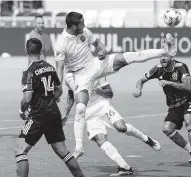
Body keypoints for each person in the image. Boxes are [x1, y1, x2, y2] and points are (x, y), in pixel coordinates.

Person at [54, 11, 176, 158]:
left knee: (129, 57)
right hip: (80, 76)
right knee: (80, 108)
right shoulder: (61, 42)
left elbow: (98, 44)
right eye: (81, 23)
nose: (84, 25)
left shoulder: (84, 31)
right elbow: (59, 68)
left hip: (95, 64)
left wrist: (103, 51)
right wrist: (58, 86)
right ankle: (79, 147)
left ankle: (165, 51)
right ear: (73, 26)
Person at [7, 38, 93, 177]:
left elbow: (27, 98)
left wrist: (22, 110)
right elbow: (59, 90)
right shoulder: (49, 67)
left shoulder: (29, 71)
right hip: (53, 113)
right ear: (41, 50)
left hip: (38, 116)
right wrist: (49, 98)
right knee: (62, 150)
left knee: (20, 150)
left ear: (26, 51)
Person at [62, 73, 161, 175]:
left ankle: (147, 139)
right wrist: (65, 114)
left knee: (121, 127)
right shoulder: (68, 76)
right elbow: (71, 95)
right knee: (100, 140)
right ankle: (125, 168)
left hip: (102, 105)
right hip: (88, 114)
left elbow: (110, 93)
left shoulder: (95, 71)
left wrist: (97, 89)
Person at [133, 56, 191, 169]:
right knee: (167, 128)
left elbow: (187, 86)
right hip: (174, 104)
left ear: (171, 56)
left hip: (189, 99)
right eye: (161, 57)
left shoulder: (181, 67)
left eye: (165, 57)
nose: (163, 59)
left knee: (188, 120)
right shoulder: (157, 69)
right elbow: (141, 80)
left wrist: (168, 82)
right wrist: (138, 88)